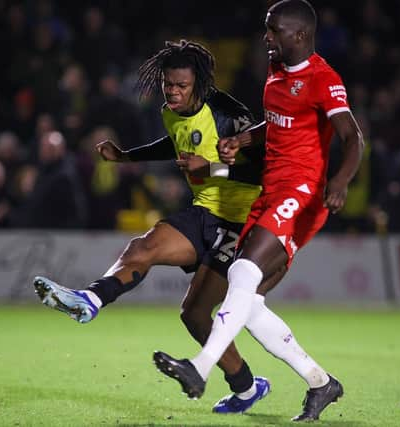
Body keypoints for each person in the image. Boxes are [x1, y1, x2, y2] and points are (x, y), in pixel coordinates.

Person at [33, 39, 323, 415]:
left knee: (195, 314)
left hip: (244, 221)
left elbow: (262, 166)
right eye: (168, 84)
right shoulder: (171, 111)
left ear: (199, 85)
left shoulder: (228, 114)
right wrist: (126, 156)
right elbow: (174, 143)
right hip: (203, 212)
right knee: (143, 247)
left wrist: (211, 169)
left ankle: (249, 386)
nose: (173, 92)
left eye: (181, 86)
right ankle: (90, 300)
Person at [153, 1, 364, 422]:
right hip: (271, 190)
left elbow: (352, 136)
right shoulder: (276, 71)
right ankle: (321, 382)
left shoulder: (324, 79)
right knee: (247, 304)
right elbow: (278, 120)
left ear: (299, 35)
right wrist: (244, 141)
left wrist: (339, 182)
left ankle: (200, 367)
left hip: (302, 193)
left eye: (274, 31)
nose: (266, 38)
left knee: (243, 273)